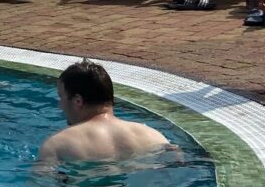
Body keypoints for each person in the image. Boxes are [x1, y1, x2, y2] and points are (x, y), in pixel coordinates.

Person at [36, 59, 171, 165]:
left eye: (61, 97)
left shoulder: (57, 145)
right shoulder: (153, 136)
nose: (60, 105)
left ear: (77, 100)